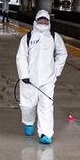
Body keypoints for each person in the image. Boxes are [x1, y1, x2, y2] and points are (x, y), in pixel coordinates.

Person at [16, 10, 67, 144]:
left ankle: (45, 133)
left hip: (47, 80)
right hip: (29, 80)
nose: (43, 23)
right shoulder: (27, 38)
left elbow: (62, 54)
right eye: (41, 21)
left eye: (46, 21)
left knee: (46, 106)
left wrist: (56, 71)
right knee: (27, 105)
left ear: (49, 22)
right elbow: (21, 57)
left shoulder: (54, 37)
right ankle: (28, 122)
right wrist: (24, 75)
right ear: (35, 21)